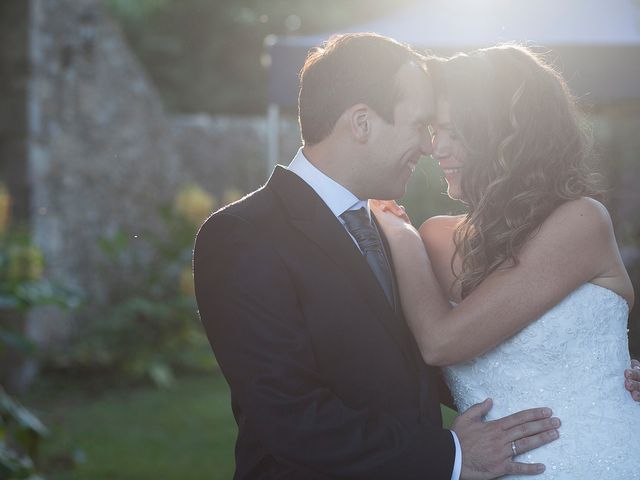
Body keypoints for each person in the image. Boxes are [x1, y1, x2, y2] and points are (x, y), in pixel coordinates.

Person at [193, 34, 565, 480]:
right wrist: (449, 456)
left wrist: (579, 366)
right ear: (362, 122)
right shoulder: (243, 235)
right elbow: (291, 420)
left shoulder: (389, 229)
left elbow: (420, 367)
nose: (430, 147)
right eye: (419, 124)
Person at [371, 44, 640, 478]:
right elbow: (425, 366)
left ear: (507, 136)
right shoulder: (437, 238)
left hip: (611, 459)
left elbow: (443, 341)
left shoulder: (581, 220)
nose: (437, 149)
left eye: (456, 132)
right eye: (437, 130)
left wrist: (399, 235)